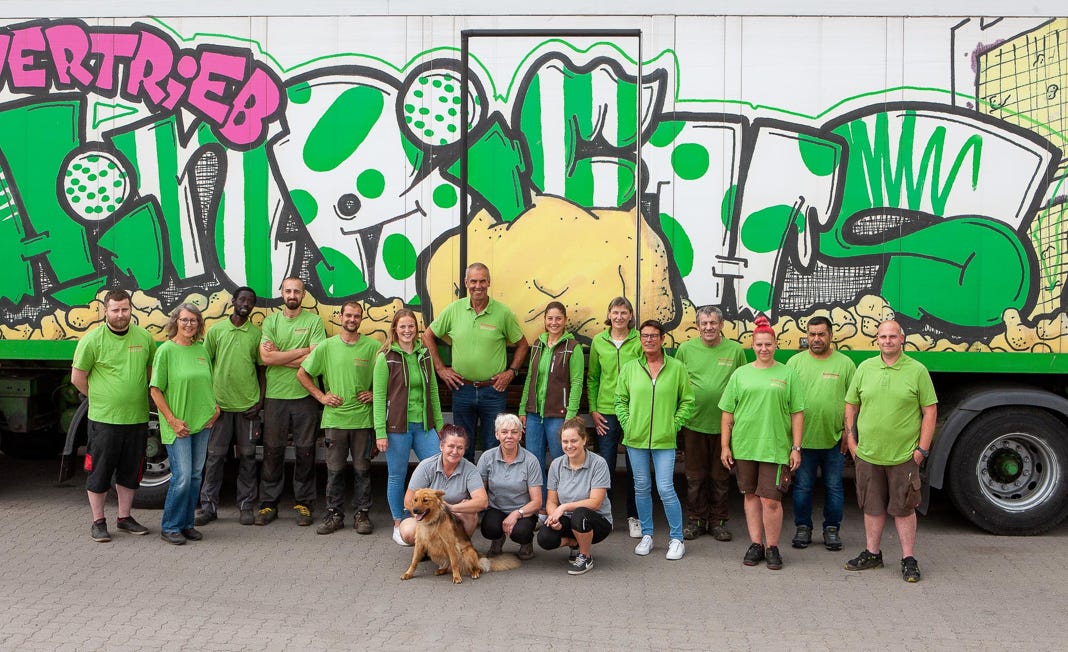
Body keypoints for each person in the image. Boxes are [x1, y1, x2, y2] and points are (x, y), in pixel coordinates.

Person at [844, 319, 937, 583]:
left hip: (903, 456)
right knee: (871, 506)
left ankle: (908, 559)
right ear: (877, 340)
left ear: (902, 339)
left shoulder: (917, 370)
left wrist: (922, 449)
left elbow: (929, 410)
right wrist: (852, 444)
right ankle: (873, 554)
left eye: (892, 337)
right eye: (882, 337)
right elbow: (851, 405)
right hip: (869, 454)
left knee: (905, 508)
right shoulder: (865, 368)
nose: (887, 341)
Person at [719, 316, 804, 571]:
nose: (764, 349)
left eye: (768, 344)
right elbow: (727, 414)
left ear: (775, 345)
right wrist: (725, 446)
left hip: (775, 448)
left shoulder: (787, 374)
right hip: (745, 446)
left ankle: (773, 547)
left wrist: (796, 447)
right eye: (759, 345)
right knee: (751, 496)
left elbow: (797, 412)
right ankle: (756, 544)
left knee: (771, 500)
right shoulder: (740, 374)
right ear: (752, 346)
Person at [71, 289, 156, 543]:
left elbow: (150, 372)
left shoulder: (144, 337)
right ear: (105, 311)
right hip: (104, 420)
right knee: (100, 472)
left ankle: (124, 517)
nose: (121, 314)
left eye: (125, 309)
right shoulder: (92, 340)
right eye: (115, 309)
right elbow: (77, 378)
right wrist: (100, 399)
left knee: (131, 472)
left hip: (137, 418)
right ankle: (98, 522)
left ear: (131, 309)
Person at [423, 262, 529, 461]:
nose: (477, 286)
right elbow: (427, 336)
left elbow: (523, 345)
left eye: (482, 281)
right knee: (462, 446)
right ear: (465, 283)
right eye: (473, 281)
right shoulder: (454, 310)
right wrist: (440, 368)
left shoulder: (502, 313)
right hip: (462, 389)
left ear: (489, 282)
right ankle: (465, 490)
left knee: (492, 446)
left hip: (494, 390)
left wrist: (511, 372)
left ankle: (488, 491)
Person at [297, 301, 380, 535]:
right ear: (340, 317)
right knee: (334, 471)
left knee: (362, 470)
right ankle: (334, 514)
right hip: (335, 421)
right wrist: (321, 397)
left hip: (362, 420)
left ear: (361, 319)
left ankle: (362, 514)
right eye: (348, 315)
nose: (352, 319)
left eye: (356, 316)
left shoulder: (373, 347)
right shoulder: (326, 346)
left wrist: (375, 393)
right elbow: (302, 374)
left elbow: (387, 377)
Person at [616, 320, 695, 561]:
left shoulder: (676, 367)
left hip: (664, 440)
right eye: (644, 336)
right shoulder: (630, 368)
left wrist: (674, 424)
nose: (649, 340)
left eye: (653, 336)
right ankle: (647, 535)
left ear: (662, 339)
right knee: (641, 488)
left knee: (665, 488)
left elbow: (688, 400)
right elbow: (619, 400)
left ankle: (676, 538)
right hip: (636, 439)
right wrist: (628, 424)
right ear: (640, 340)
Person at [255, 277, 327, 526]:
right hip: (276, 396)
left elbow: (316, 360)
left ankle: (304, 503)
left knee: (305, 450)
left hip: (305, 395)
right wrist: (301, 352)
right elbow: (266, 359)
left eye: (297, 290)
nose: (292, 294)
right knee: (272, 450)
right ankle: (268, 503)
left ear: (303, 294)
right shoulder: (271, 321)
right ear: (281, 293)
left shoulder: (314, 321)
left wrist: (280, 356)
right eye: (288, 290)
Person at [674, 305, 747, 542]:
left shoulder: (735, 351)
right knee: (694, 477)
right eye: (704, 323)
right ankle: (695, 521)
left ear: (721, 325)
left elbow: (743, 387)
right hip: (693, 424)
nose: (708, 327)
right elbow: (677, 384)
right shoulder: (685, 349)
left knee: (721, 477)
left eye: (713, 323)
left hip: (724, 427)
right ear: (697, 326)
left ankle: (718, 522)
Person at [373, 308, 445, 546]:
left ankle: (434, 519)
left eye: (411, 326)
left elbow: (433, 391)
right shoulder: (386, 358)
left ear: (417, 329)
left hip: (423, 426)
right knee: (397, 475)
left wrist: (440, 427)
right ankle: (398, 522)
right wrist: (380, 433)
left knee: (437, 471)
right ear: (395, 329)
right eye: (402, 326)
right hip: (397, 427)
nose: (407, 330)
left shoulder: (424, 356)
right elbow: (379, 397)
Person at [150, 304, 220, 545]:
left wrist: (215, 408)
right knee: (181, 477)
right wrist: (171, 419)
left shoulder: (201, 350)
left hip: (202, 424)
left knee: (195, 477)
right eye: (184, 320)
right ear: (175, 322)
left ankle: (187, 524)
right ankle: (169, 526)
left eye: (194, 320)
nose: (189, 324)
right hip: (178, 425)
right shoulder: (166, 351)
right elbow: (156, 390)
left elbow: (207, 383)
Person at [196, 286, 265, 527]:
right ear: (233, 301)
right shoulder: (216, 332)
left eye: (250, 301)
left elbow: (262, 370)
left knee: (247, 457)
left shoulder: (256, 335)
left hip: (247, 408)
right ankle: (208, 506)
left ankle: (246, 505)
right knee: (214, 457)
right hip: (220, 408)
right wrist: (209, 401)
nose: (246, 303)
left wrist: (260, 401)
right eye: (242, 299)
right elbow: (204, 368)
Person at [786, 315, 855, 551]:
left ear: (830, 336)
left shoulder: (845, 364)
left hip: (834, 440)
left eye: (821, 334)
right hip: (802, 441)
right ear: (807, 336)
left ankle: (832, 529)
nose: (816, 339)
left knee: (834, 487)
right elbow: (785, 402)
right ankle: (803, 528)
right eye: (812, 334)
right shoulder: (794, 363)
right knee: (802, 488)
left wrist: (849, 433)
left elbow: (852, 403)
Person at [586, 296, 642, 537]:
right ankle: (604, 514)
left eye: (624, 312)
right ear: (609, 315)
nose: (619, 317)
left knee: (635, 465)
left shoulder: (639, 340)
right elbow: (593, 378)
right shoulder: (599, 340)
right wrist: (594, 409)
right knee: (605, 463)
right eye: (615, 312)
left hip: (633, 409)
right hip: (606, 410)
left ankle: (634, 516)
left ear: (630, 316)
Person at [519, 301, 584, 499]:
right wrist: (523, 408)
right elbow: (530, 377)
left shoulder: (573, 348)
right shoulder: (538, 344)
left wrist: (570, 416)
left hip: (559, 415)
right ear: (544, 320)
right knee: (534, 462)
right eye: (550, 318)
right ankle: (541, 507)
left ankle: (561, 505)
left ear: (565, 320)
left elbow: (577, 382)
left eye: (558, 318)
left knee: (560, 461)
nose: (554, 322)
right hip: (534, 414)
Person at [537, 417, 613, 575]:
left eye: (574, 441)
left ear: (584, 440)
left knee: (580, 514)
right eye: (565, 442)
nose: (569, 446)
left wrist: (563, 507)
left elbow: (595, 503)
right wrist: (553, 517)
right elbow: (551, 502)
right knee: (544, 538)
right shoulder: (556, 464)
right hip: (569, 520)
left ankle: (585, 557)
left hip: (597, 521)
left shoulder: (598, 464)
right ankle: (576, 543)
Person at [398, 424, 488, 544]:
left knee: (470, 516)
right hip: (426, 514)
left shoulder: (470, 469)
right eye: (451, 446)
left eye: (460, 448)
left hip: (453, 514)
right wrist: (433, 518)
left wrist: (451, 508)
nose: (455, 451)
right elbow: (408, 500)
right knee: (408, 532)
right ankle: (426, 548)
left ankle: (458, 548)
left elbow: (482, 501)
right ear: (441, 446)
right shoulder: (426, 466)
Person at [476, 414, 542, 560]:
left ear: (520, 435)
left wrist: (516, 514)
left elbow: (537, 502)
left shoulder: (530, 460)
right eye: (504, 432)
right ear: (497, 434)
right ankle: (497, 539)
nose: (509, 436)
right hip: (496, 508)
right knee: (489, 528)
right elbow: (479, 492)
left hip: (524, 511)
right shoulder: (487, 457)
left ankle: (526, 543)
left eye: (514, 432)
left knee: (521, 532)